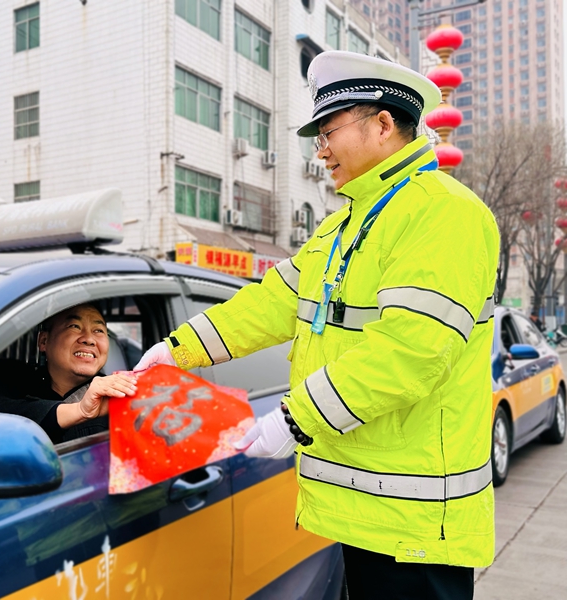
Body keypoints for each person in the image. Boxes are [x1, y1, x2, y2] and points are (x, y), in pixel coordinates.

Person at [136, 51, 499, 600]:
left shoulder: (442, 213)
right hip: (368, 510)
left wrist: (294, 419)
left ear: (382, 124)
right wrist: (176, 349)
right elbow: (272, 303)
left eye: (329, 131)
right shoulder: (343, 226)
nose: (320, 149)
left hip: (416, 525)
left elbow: (411, 351)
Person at [0, 303, 137, 444]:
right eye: (75, 326)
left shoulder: (118, 395)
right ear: (44, 341)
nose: (89, 339)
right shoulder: (10, 377)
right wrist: (79, 411)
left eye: (99, 330)